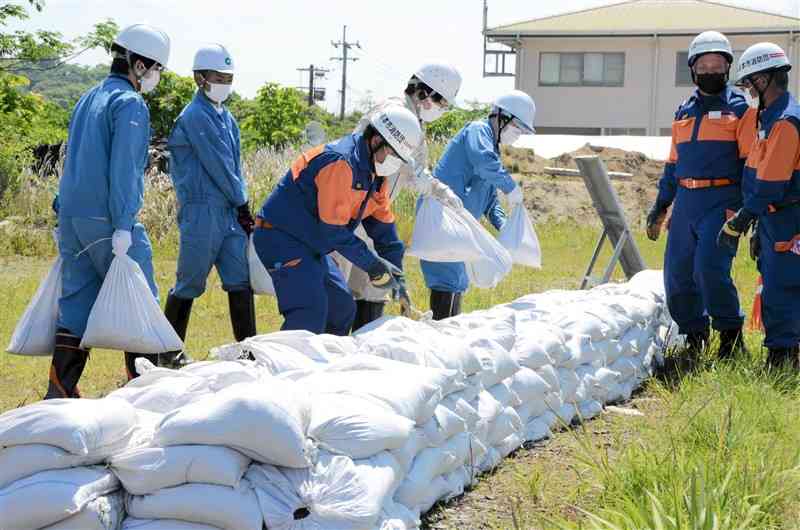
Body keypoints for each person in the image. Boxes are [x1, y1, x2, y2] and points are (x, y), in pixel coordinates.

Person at [46, 24, 170, 398]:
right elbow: (125, 170)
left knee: (77, 302)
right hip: (107, 220)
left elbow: (72, 160)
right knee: (141, 300)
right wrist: (123, 224)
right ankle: (143, 393)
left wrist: (59, 210)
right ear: (140, 65)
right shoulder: (130, 104)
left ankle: (60, 390)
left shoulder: (88, 97)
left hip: (72, 218)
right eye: (157, 70)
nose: (156, 77)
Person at [252, 105, 422, 335]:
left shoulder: (376, 176)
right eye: (393, 154)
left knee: (341, 308)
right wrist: (373, 266)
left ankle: (325, 368)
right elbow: (333, 232)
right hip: (281, 237)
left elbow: (385, 235)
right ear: (375, 141)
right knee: (309, 311)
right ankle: (255, 362)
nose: (394, 163)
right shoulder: (340, 162)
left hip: (310, 244)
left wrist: (399, 279)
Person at [645, 31, 754, 360]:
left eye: (717, 64)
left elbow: (750, 164)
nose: (710, 70)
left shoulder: (740, 109)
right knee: (677, 273)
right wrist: (660, 206)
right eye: (703, 65)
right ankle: (695, 336)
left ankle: (731, 339)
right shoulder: (684, 111)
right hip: (687, 202)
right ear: (693, 70)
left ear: (727, 68)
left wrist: (746, 211)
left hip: (723, 201)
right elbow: (673, 164)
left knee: (709, 269)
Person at [345, 63, 465, 330]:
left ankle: (358, 351)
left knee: (374, 287)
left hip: (374, 215)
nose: (443, 109)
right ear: (425, 93)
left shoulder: (416, 124)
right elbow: (369, 152)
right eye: (442, 102)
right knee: (338, 287)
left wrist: (438, 190)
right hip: (347, 212)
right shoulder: (393, 112)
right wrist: (426, 181)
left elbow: (416, 173)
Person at [163, 43, 255, 365]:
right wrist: (242, 202)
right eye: (219, 76)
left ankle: (249, 352)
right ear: (200, 78)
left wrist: (241, 205)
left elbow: (236, 166)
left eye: (229, 77)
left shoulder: (226, 117)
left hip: (229, 210)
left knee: (240, 279)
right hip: (202, 210)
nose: (225, 83)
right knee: (189, 282)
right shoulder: (195, 116)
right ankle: (168, 352)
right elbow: (218, 165)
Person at [718, 42, 799, 370]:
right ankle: (783, 352)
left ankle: (783, 359)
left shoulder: (785, 122)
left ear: (765, 79)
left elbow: (771, 182)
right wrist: (756, 225)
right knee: (773, 282)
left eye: (749, 83)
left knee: (783, 287)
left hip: (787, 217)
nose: (747, 91)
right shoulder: (768, 117)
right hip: (771, 218)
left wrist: (741, 220)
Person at [420, 89, 533, 320]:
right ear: (501, 117)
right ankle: (440, 336)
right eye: (517, 127)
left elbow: (489, 200)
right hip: (443, 216)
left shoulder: (491, 148)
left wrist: (505, 227)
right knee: (448, 277)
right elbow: (484, 164)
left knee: (458, 280)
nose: (517, 134)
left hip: (458, 223)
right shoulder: (478, 132)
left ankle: (446, 337)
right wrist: (510, 187)